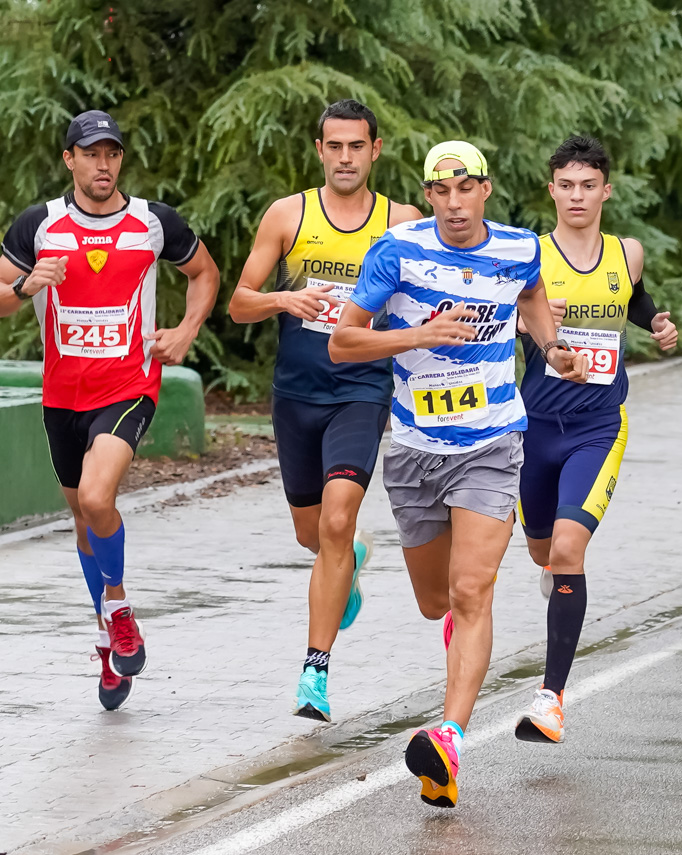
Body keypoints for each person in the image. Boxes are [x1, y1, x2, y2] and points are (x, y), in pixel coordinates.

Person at [329, 141, 587, 807]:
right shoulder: (398, 250)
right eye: (440, 192)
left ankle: (449, 736)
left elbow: (532, 298)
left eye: (464, 189)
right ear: (428, 193)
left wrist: (551, 346)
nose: (452, 204)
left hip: (492, 442)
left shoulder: (519, 248)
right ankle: (422, 615)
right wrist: (416, 336)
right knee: (435, 601)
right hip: (415, 449)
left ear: (485, 190)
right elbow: (343, 340)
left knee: (473, 590)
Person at [0, 110, 219, 709]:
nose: (103, 164)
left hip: (129, 384)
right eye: (91, 154)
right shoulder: (40, 226)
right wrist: (27, 286)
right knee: (84, 524)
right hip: (62, 396)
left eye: (112, 153)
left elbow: (204, 272)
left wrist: (186, 330)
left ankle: (117, 606)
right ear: (71, 161)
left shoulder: (152, 223)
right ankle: (112, 642)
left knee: (96, 498)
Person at [228, 100, 421, 722]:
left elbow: (428, 303)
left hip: (362, 390)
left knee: (336, 522)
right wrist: (286, 298)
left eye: (356, 147)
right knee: (312, 533)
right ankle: (351, 559)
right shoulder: (289, 215)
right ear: (320, 151)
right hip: (296, 395)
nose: (345, 157)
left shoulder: (403, 222)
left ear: (375, 150)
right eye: (334, 146)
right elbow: (239, 303)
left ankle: (315, 672)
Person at [511, 136, 677, 744]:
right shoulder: (527, 255)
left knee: (568, 551)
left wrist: (656, 321)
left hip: (598, 426)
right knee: (541, 553)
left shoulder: (626, 253)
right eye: (566, 185)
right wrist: (529, 320)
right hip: (533, 428)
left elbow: (631, 298)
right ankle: (556, 578)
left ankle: (551, 699)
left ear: (606, 190)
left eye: (588, 185)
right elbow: (497, 322)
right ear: (550, 189)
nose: (577, 196)